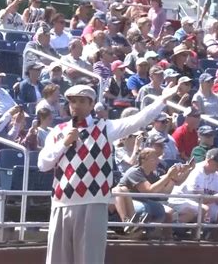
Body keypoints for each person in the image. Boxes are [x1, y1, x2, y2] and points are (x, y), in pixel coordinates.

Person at [38, 84, 177, 264]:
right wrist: (64, 143)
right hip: (61, 202)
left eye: (81, 101)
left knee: (89, 259)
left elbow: (137, 120)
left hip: (93, 202)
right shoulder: (58, 132)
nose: (76, 105)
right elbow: (43, 164)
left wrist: (161, 100)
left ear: (91, 104)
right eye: (73, 101)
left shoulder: (105, 127)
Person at [170, 148, 218, 241]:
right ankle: (195, 239)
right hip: (181, 200)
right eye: (217, 164)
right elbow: (200, 199)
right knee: (204, 208)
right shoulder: (197, 171)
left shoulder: (216, 175)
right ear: (209, 161)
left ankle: (212, 240)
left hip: (200, 202)